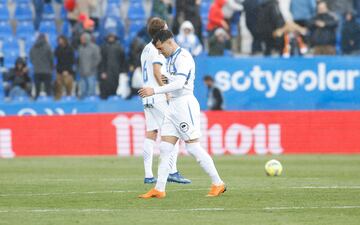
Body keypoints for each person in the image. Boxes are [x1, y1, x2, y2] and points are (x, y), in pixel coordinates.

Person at [138, 30, 226, 198]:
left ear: (169, 42)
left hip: (185, 105)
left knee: (192, 147)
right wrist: (166, 78)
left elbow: (179, 84)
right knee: (165, 147)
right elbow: (174, 80)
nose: (159, 52)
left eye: (160, 48)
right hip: (173, 106)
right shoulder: (170, 58)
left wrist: (154, 90)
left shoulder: (184, 57)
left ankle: (218, 183)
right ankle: (159, 189)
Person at [139, 17, 191, 184]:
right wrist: (167, 92)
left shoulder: (146, 48)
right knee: (172, 131)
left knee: (151, 132)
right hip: (157, 95)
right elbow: (157, 71)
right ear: (161, 30)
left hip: (147, 96)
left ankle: (148, 175)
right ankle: (172, 171)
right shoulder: (157, 47)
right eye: (165, 26)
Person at [99, 33, 127, 99]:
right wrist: (102, 71)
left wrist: (123, 70)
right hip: (107, 70)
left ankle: (116, 96)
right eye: (109, 37)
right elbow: (102, 61)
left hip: (117, 69)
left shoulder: (119, 47)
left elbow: (123, 59)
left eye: (112, 37)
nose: (111, 38)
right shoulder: (104, 47)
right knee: (106, 83)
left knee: (116, 83)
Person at [30, 34, 54, 99]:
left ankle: (36, 105)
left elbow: (31, 58)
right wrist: (51, 67)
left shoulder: (33, 47)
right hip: (47, 71)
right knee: (48, 90)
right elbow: (51, 58)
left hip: (37, 71)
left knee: (37, 91)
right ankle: (49, 105)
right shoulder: (48, 46)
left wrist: (35, 65)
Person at [78, 32, 101, 98]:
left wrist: (92, 67)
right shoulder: (80, 48)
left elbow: (98, 59)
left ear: (87, 39)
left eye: (82, 39)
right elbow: (79, 60)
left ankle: (91, 102)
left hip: (91, 72)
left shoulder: (94, 47)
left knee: (91, 89)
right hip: (82, 72)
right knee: (83, 89)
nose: (81, 40)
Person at [54, 35, 75, 100]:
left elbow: (72, 61)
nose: (60, 42)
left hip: (68, 71)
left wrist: (67, 70)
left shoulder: (70, 49)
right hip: (59, 71)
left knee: (68, 87)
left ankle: (68, 100)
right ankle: (58, 101)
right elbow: (56, 60)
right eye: (59, 40)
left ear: (64, 40)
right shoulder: (57, 49)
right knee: (58, 88)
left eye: (61, 40)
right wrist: (59, 69)